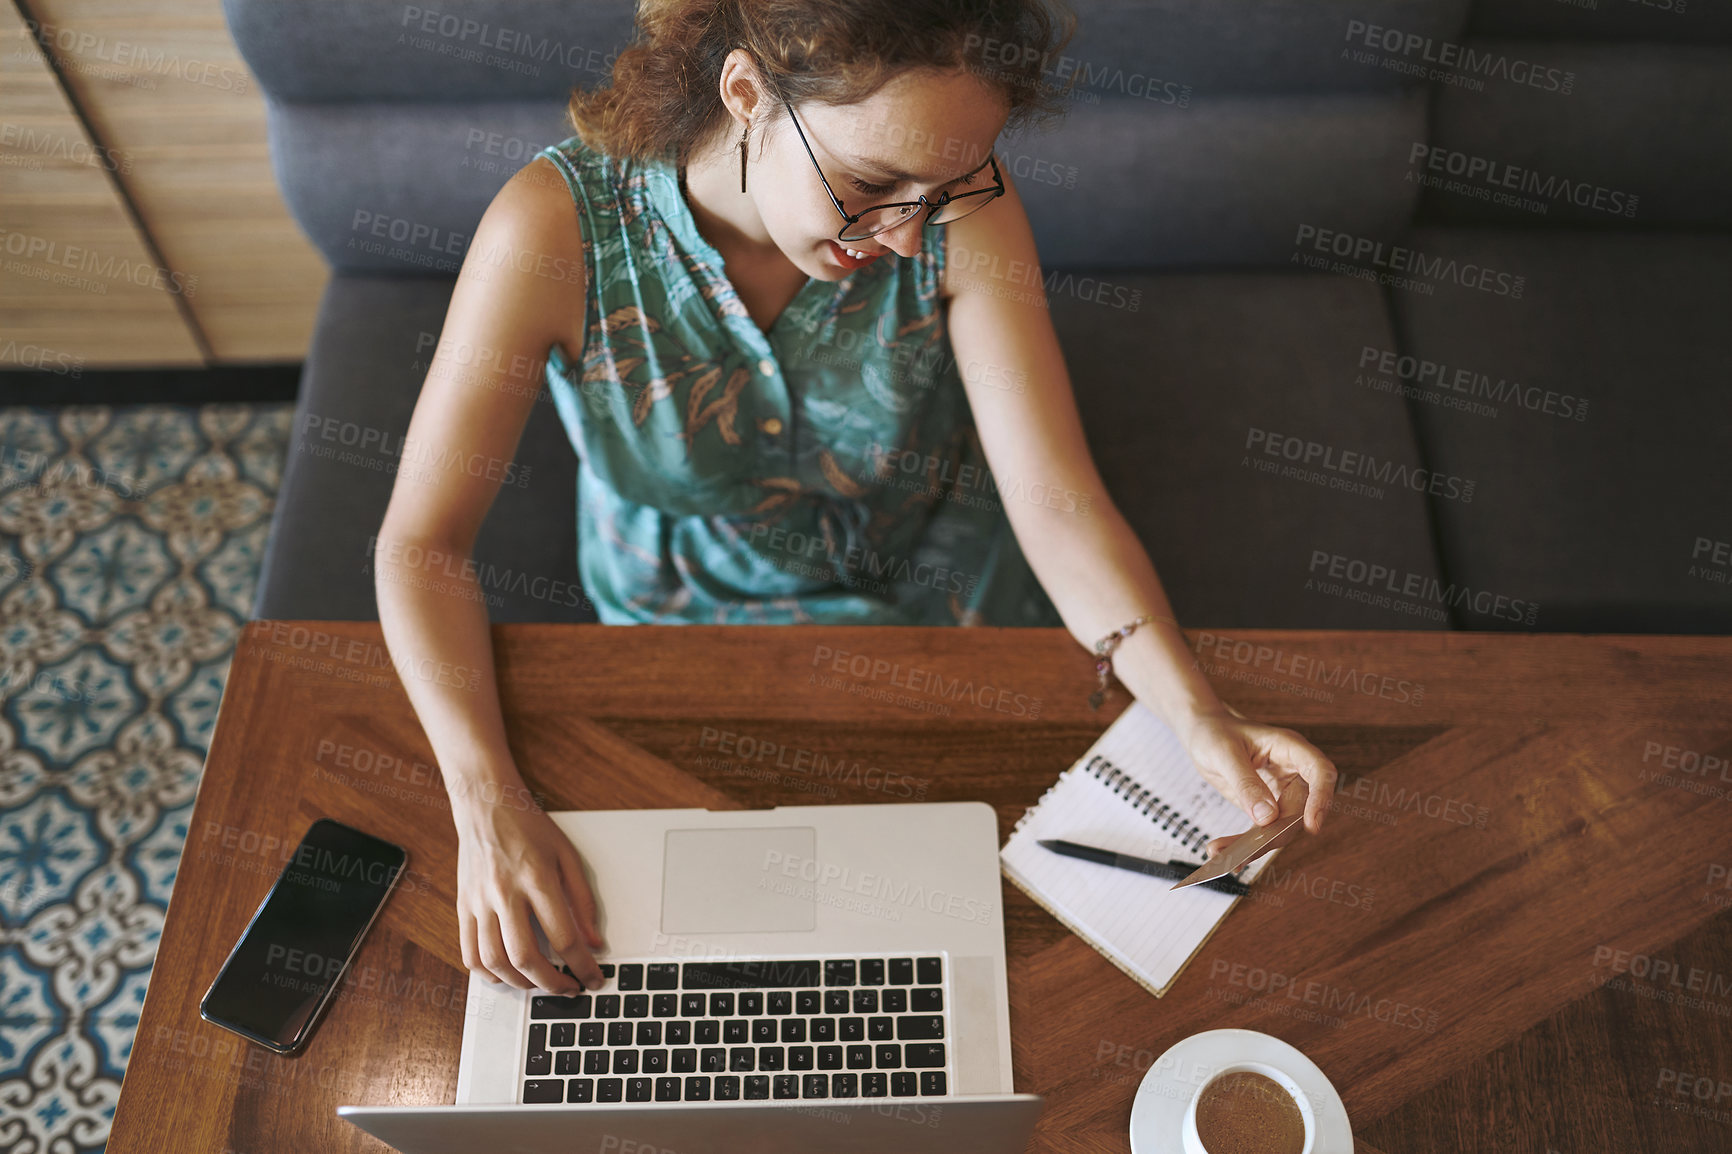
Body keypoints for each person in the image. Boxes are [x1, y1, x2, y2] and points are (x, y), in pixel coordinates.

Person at [374, 0, 1340, 999]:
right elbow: (420, 544)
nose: (908, 234)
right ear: (745, 93)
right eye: (872, 184)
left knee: (991, 959)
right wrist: (484, 799)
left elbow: (1056, 501)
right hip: (684, 628)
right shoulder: (553, 230)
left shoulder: (960, 213)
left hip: (940, 590)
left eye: (947, 186)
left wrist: (1196, 713)